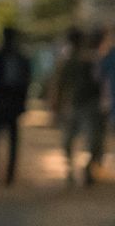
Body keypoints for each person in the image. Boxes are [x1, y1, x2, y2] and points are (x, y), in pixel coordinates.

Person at [51, 27, 105, 186]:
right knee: (84, 141)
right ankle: (77, 170)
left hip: (86, 105)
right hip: (78, 105)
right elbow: (59, 85)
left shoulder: (90, 60)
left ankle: (83, 170)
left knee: (87, 141)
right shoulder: (77, 60)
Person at [0, 26, 32, 185]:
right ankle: (3, 174)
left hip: (2, 103)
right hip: (6, 103)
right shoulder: (18, 58)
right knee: (6, 141)